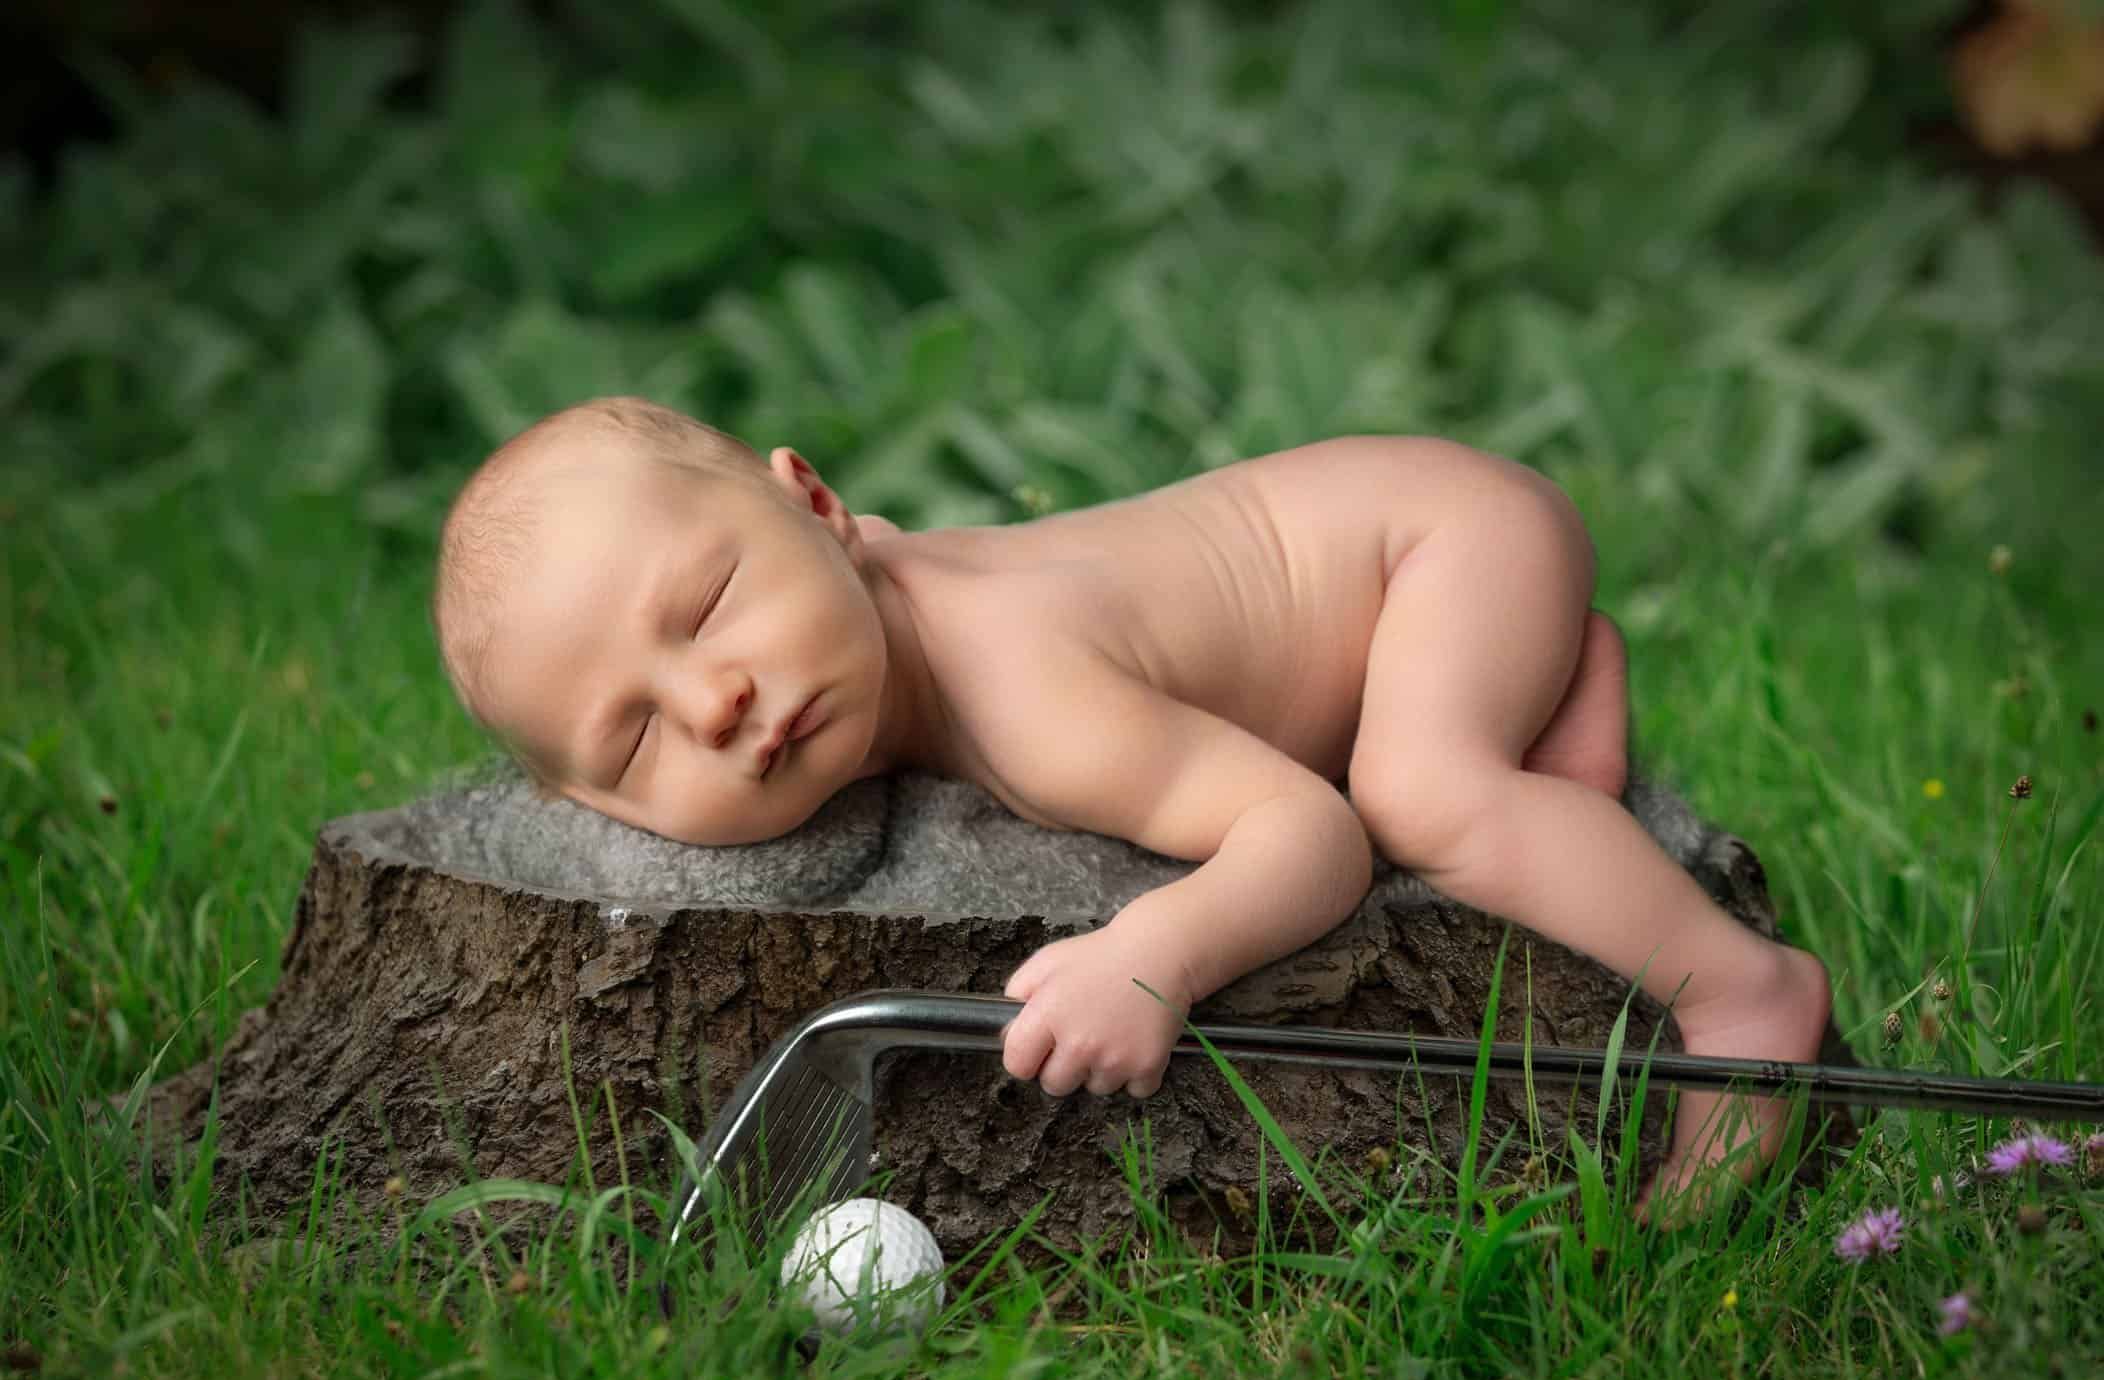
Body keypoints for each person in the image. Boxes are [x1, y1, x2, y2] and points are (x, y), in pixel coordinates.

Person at [433, 396, 1832, 1216]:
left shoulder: (1031, 699)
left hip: (1439, 543)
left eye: (710, 605)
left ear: (819, 505)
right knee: (1450, 765)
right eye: (632, 744)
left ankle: (1746, 995)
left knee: (1423, 795)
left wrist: (1148, 958)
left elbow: (1308, 835)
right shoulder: (871, 608)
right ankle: (1557, 714)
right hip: (1383, 538)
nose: (718, 703)